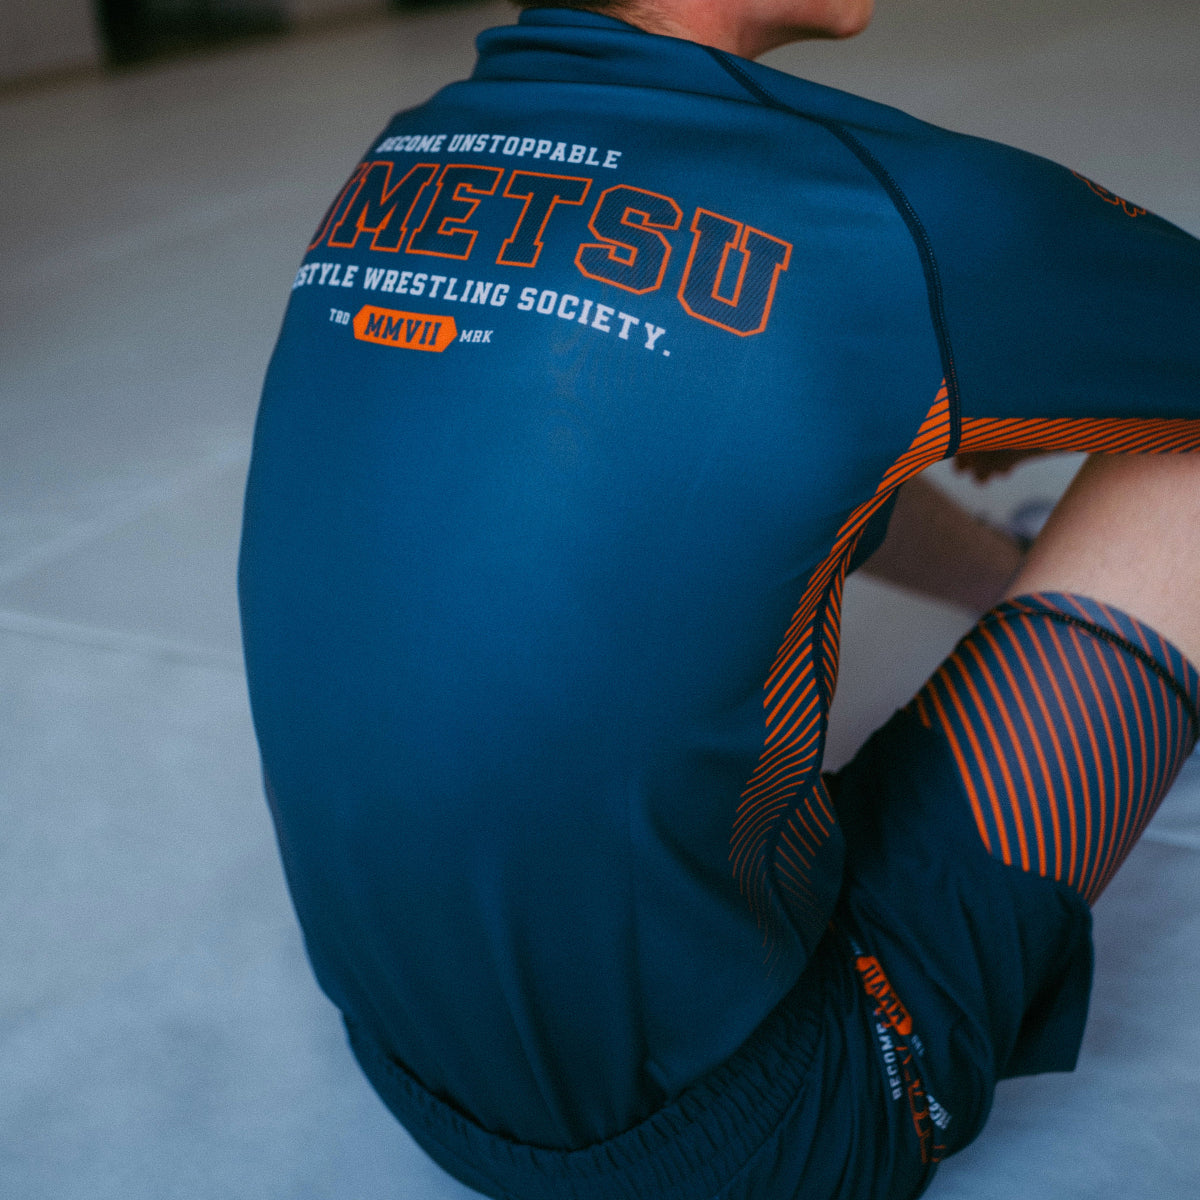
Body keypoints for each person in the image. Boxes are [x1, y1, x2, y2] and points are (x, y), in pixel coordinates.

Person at [237, 2, 1200, 1196]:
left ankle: (1009, 574)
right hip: (765, 1135)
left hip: (414, 1079)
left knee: (740, 416)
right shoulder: (881, 207)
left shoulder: (405, 154)